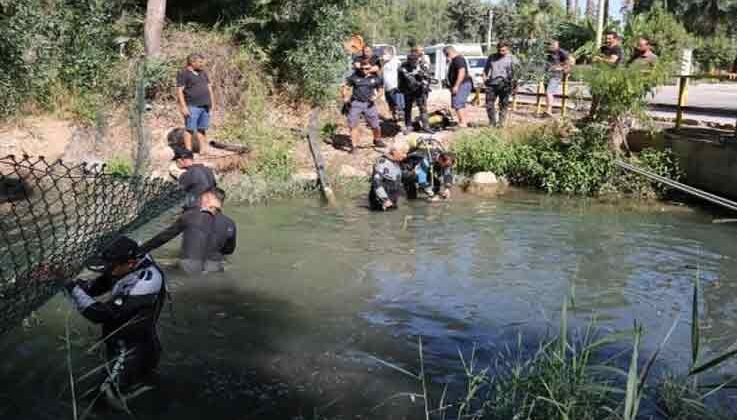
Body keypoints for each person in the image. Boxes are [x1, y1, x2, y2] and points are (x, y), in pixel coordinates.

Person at [63, 236, 166, 406]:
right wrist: (62, 276)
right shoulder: (125, 265)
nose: (107, 271)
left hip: (131, 350)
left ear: (131, 263)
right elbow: (94, 288)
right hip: (127, 343)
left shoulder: (146, 281)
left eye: (110, 267)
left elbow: (99, 314)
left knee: (100, 401)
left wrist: (70, 286)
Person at [142, 188, 236, 274]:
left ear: (208, 199)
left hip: (188, 267)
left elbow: (163, 237)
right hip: (214, 268)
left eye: (202, 198)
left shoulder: (190, 216)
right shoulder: (230, 224)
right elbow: (228, 250)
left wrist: (140, 250)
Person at [342, 59, 386, 150]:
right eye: (362, 69)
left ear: (370, 68)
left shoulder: (376, 78)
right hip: (356, 103)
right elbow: (345, 87)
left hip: (369, 104)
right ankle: (354, 146)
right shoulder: (354, 76)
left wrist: (376, 97)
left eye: (367, 68)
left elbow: (381, 91)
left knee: (375, 125)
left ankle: (377, 139)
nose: (364, 70)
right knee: (352, 124)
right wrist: (345, 96)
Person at [176, 53, 216, 153]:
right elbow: (179, 91)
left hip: (205, 106)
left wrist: (212, 103)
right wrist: (183, 107)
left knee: (202, 129)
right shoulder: (183, 74)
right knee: (189, 129)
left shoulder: (203, 73)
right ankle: (188, 152)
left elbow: (209, 89)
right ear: (192, 62)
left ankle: (203, 150)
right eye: (200, 62)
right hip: (192, 106)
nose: (202, 64)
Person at [483, 41, 519, 128]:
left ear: (507, 49)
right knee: (489, 104)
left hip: (505, 84)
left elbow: (516, 73)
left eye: (503, 51)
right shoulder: (492, 57)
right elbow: (485, 70)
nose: (501, 52)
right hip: (492, 84)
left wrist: (515, 86)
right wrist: (484, 78)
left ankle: (501, 123)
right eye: (499, 50)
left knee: (503, 104)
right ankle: (492, 122)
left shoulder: (512, 58)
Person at [399, 52, 434, 135]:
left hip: (419, 90)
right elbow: (408, 79)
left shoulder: (422, 65)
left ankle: (426, 126)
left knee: (423, 108)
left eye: (415, 62)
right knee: (408, 109)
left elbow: (428, 76)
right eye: (412, 62)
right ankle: (409, 126)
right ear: (408, 61)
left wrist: (425, 79)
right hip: (408, 90)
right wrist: (415, 74)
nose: (414, 64)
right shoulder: (403, 67)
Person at [172, 146, 217, 210]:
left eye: (176, 161)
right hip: (213, 206)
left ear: (181, 160)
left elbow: (181, 187)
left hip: (199, 209)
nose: (176, 163)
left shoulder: (188, 174)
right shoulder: (207, 169)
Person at [443, 46, 474, 128]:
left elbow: (462, 72)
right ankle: (463, 121)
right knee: (459, 103)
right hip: (460, 84)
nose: (446, 57)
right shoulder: (454, 60)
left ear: (449, 53)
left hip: (462, 84)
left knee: (458, 103)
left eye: (446, 55)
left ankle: (463, 122)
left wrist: (456, 85)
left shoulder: (458, 59)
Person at [369, 146, 406, 211]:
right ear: (394, 152)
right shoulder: (382, 162)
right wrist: (385, 199)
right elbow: (376, 181)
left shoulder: (396, 161)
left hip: (392, 199)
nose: (405, 155)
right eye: (403, 153)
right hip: (381, 202)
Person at [544, 40, 571, 118]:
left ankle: (548, 110)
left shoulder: (561, 52)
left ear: (557, 45)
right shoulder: (547, 52)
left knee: (549, 92)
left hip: (556, 75)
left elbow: (570, 62)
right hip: (547, 74)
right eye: (550, 44)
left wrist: (561, 69)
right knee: (548, 92)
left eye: (554, 44)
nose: (552, 46)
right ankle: (548, 110)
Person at [382, 49, 404, 123]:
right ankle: (394, 118)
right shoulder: (384, 63)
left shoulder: (395, 61)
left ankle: (401, 119)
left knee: (397, 104)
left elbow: (400, 71)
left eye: (385, 54)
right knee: (390, 104)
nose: (383, 55)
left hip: (394, 87)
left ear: (391, 54)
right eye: (383, 54)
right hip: (386, 87)